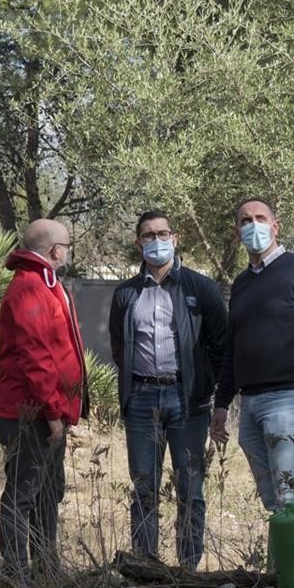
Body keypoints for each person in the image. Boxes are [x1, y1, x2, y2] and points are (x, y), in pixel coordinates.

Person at [209, 198, 294, 513]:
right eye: (246, 220)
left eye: (260, 218)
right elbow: (234, 350)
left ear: (275, 226)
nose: (253, 225)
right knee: (273, 500)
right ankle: (284, 563)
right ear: (237, 232)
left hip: (292, 399)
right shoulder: (242, 284)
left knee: (291, 496)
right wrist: (221, 404)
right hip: (250, 403)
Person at [107, 209, 227, 569]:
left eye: (162, 234)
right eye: (148, 235)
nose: (156, 241)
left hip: (188, 400)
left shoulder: (201, 288)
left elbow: (220, 346)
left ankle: (188, 567)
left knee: (190, 489)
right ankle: (146, 564)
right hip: (142, 399)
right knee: (144, 487)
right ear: (138, 243)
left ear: (174, 239)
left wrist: (211, 394)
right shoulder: (126, 294)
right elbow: (119, 346)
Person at [0, 218, 87, 579]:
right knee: (24, 491)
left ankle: (47, 566)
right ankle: (16, 572)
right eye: (67, 244)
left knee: (49, 491)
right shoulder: (30, 288)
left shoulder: (47, 285)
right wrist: (51, 412)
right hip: (29, 413)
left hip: (49, 410)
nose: (68, 250)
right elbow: (36, 356)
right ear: (54, 249)